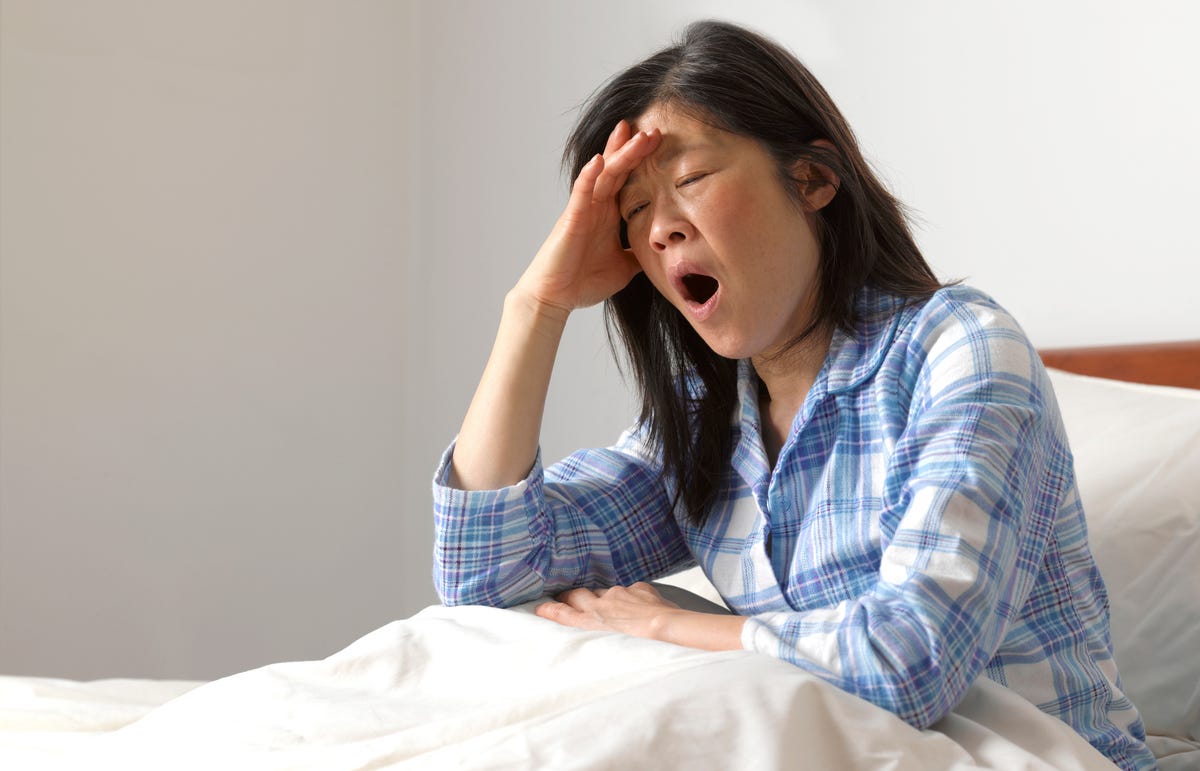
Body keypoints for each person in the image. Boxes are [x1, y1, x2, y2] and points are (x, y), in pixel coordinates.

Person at [430, 19, 1154, 771]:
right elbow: (487, 572)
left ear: (811, 179)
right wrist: (535, 306)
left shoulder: (961, 349)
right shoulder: (706, 413)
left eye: (688, 181)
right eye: (635, 210)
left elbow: (911, 658)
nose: (662, 231)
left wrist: (672, 625)